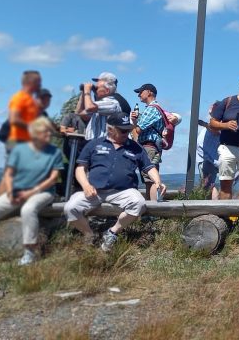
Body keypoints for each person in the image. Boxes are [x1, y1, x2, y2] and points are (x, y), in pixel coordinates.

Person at [63, 113, 166, 252]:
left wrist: (158, 181)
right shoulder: (94, 144)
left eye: (128, 129)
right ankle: (90, 235)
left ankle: (112, 233)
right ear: (110, 129)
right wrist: (86, 185)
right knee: (70, 208)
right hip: (94, 190)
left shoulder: (135, 147)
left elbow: (149, 167)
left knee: (139, 203)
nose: (127, 133)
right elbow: (80, 168)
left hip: (124, 191)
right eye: (122, 130)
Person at [0, 118, 62, 265]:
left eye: (49, 133)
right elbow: (9, 173)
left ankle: (29, 253)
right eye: (45, 133)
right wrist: (11, 192)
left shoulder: (54, 152)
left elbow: (54, 178)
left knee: (28, 210)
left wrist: (31, 192)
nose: (49, 136)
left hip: (43, 192)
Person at [130, 83, 165, 201]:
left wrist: (133, 123)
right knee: (149, 180)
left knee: (151, 180)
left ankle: (153, 210)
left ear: (149, 92)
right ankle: (151, 210)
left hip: (148, 147)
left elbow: (137, 130)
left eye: (141, 92)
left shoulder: (151, 109)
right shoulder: (152, 109)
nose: (139, 95)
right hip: (151, 147)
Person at [76, 72, 122, 141]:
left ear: (107, 91)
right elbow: (80, 112)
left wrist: (87, 91)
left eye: (97, 88)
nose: (95, 89)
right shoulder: (98, 104)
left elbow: (89, 107)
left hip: (103, 144)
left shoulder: (112, 103)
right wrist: (83, 92)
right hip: (92, 143)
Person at [6, 70, 42, 151]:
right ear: (31, 82)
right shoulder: (19, 97)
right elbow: (14, 119)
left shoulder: (32, 100)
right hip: (17, 141)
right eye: (38, 82)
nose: (40, 85)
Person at [197, 107, 221, 199]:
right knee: (206, 184)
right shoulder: (215, 122)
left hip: (209, 159)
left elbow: (215, 129)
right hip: (205, 157)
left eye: (212, 108)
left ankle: (213, 206)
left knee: (210, 184)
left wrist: (203, 124)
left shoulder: (219, 122)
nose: (209, 110)